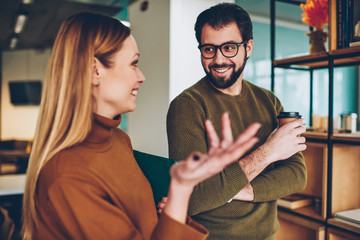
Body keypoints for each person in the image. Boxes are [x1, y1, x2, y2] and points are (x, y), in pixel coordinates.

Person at [21, 12, 261, 240]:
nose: (141, 76)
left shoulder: (118, 140)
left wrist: (182, 188)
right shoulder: (68, 175)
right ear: (95, 70)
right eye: (133, 63)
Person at [167, 3, 307, 240]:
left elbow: (297, 174)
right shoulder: (188, 105)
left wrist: (239, 190)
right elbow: (192, 197)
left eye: (229, 48)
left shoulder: (269, 101)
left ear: (248, 47)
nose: (218, 59)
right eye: (209, 49)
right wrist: (268, 153)